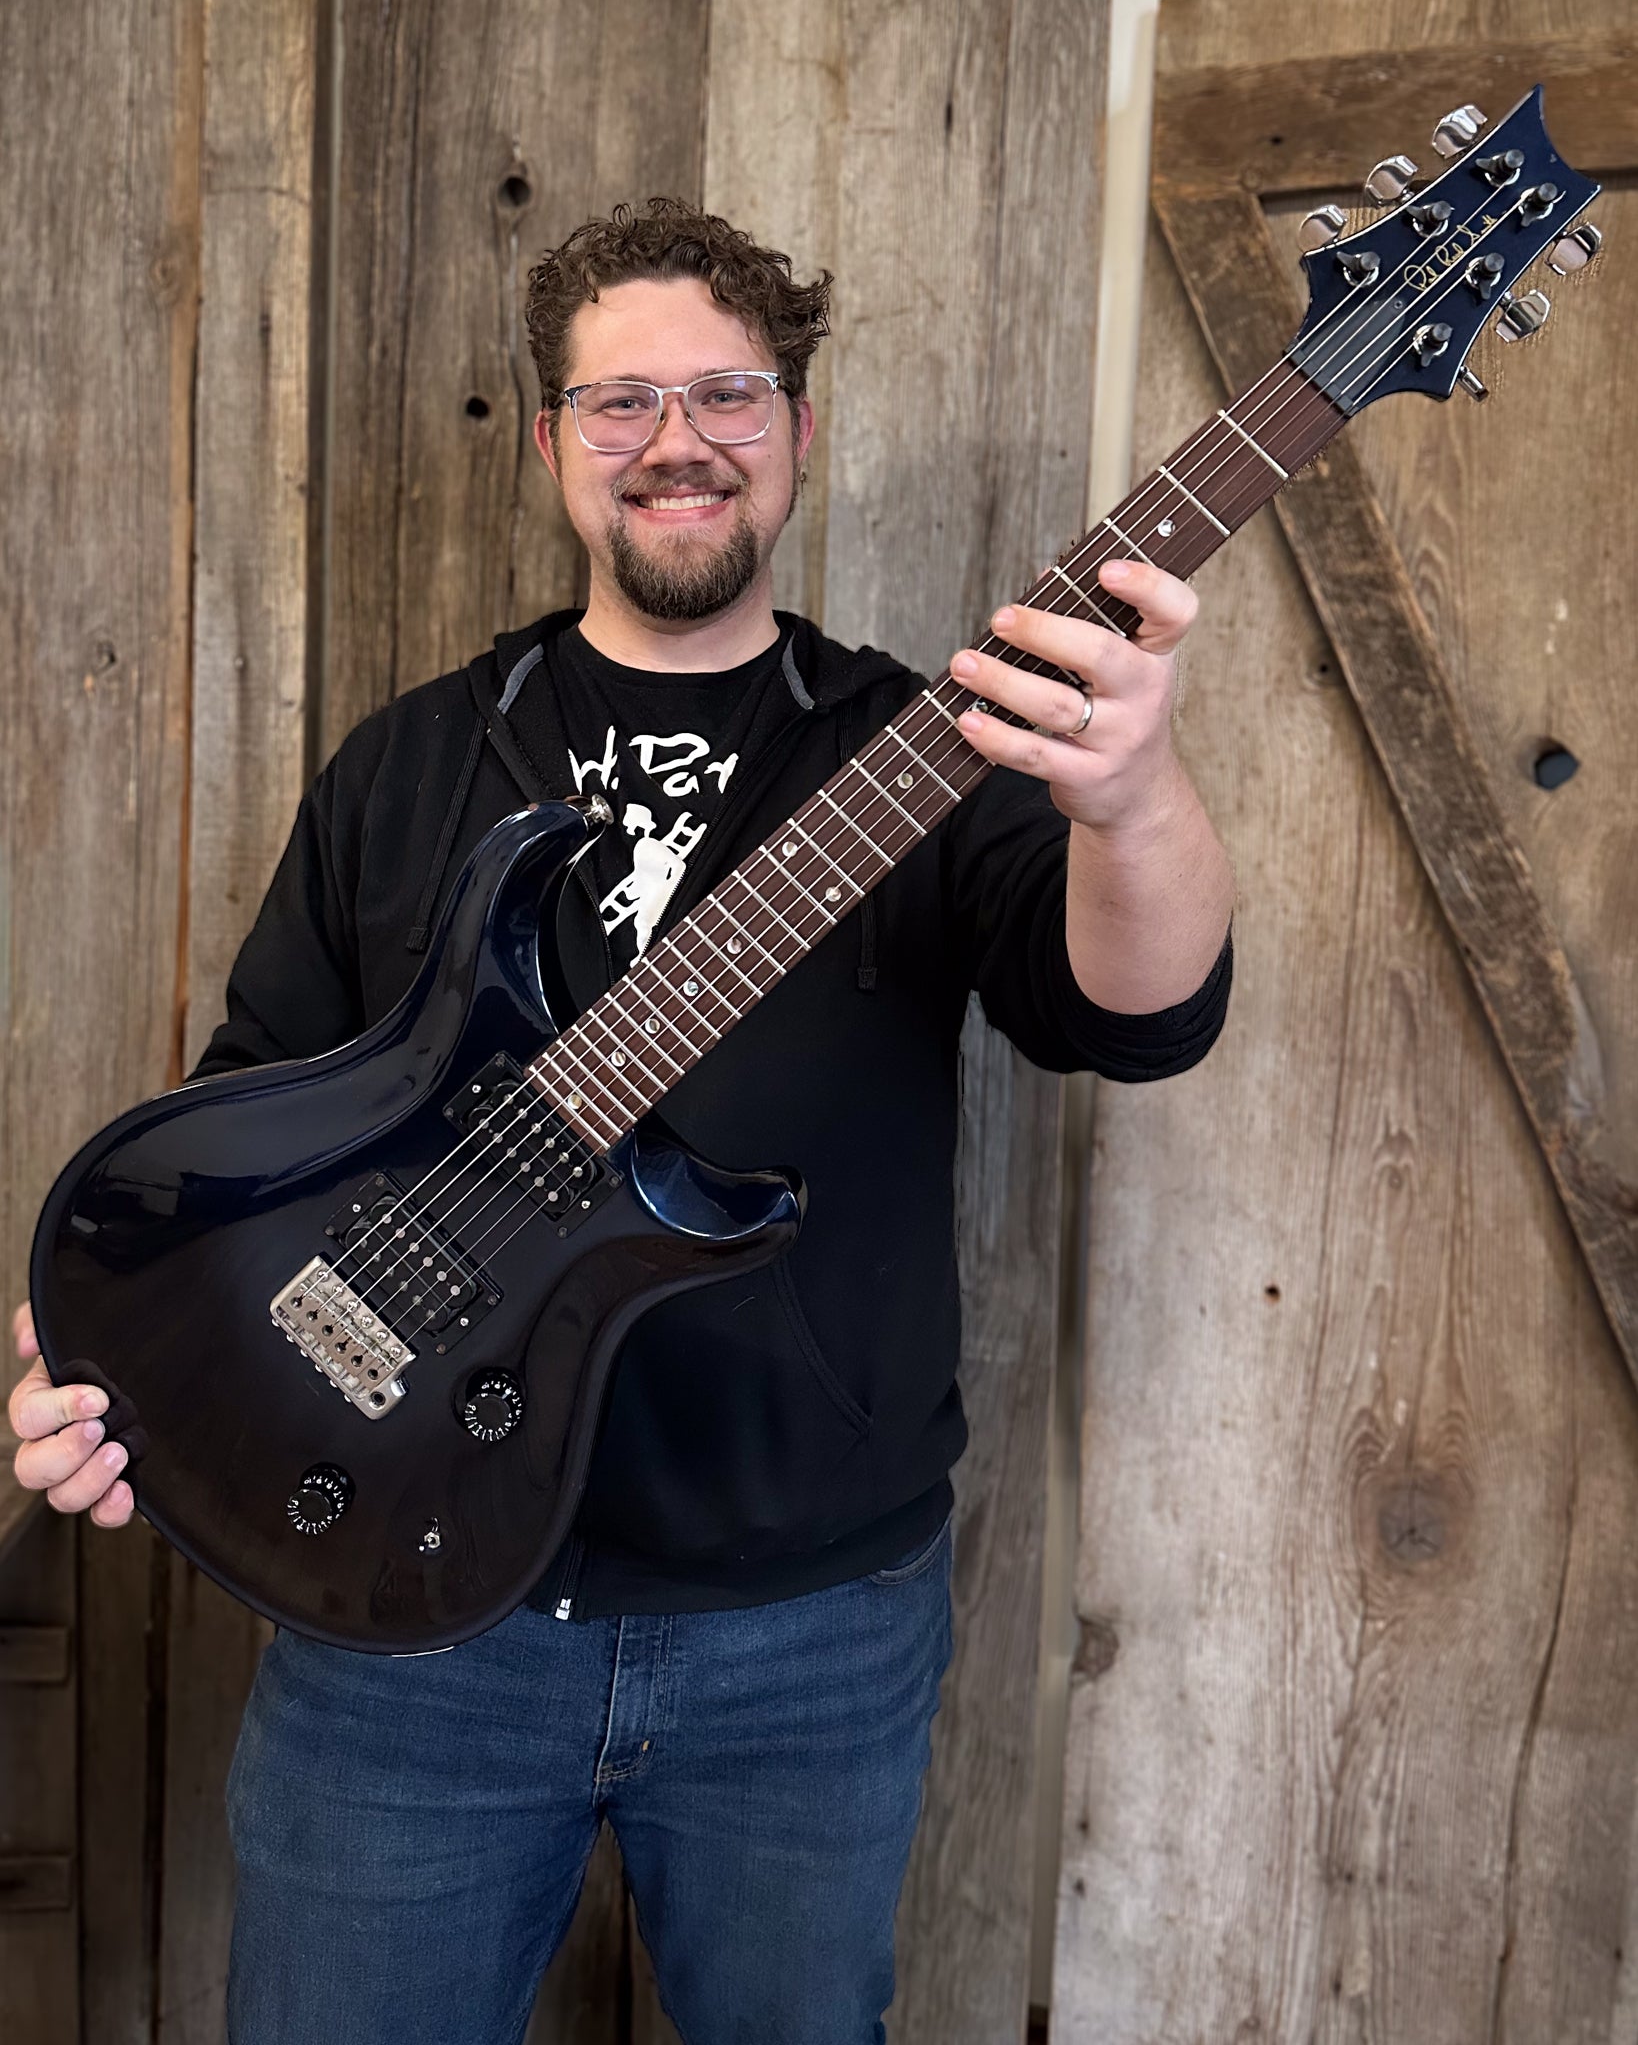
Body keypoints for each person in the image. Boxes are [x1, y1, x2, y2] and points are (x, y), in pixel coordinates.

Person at [8, 198, 1235, 2042]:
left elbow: (1135, 1022)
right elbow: (239, 1124)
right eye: (622, 401)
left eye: (731, 394)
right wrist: (117, 1353)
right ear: (554, 443)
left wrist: (1132, 803)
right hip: (402, 1632)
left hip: (803, 1636)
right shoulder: (418, 759)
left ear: (800, 432)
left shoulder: (920, 754)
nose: (678, 439)